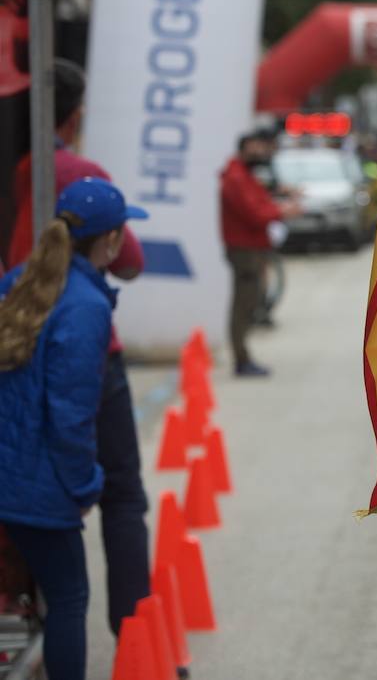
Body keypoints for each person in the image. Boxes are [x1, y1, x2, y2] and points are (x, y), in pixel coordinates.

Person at [5, 59, 153, 637]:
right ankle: (134, 630)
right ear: (74, 113)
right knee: (122, 496)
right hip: (84, 346)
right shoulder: (74, 171)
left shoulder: (14, 166)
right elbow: (132, 261)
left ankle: (36, 609)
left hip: (15, 340)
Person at [0, 178, 148, 680]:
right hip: (39, 487)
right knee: (68, 598)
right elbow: (71, 417)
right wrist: (85, 486)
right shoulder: (86, 308)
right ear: (111, 240)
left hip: (9, 471)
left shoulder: (19, 281)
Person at [220, 129, 300, 376]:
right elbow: (254, 213)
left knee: (248, 301)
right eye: (257, 148)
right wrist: (283, 211)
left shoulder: (244, 174)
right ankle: (241, 359)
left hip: (252, 247)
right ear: (245, 149)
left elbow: (259, 203)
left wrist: (278, 202)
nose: (262, 153)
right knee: (243, 304)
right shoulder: (236, 177)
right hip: (244, 249)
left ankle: (243, 357)